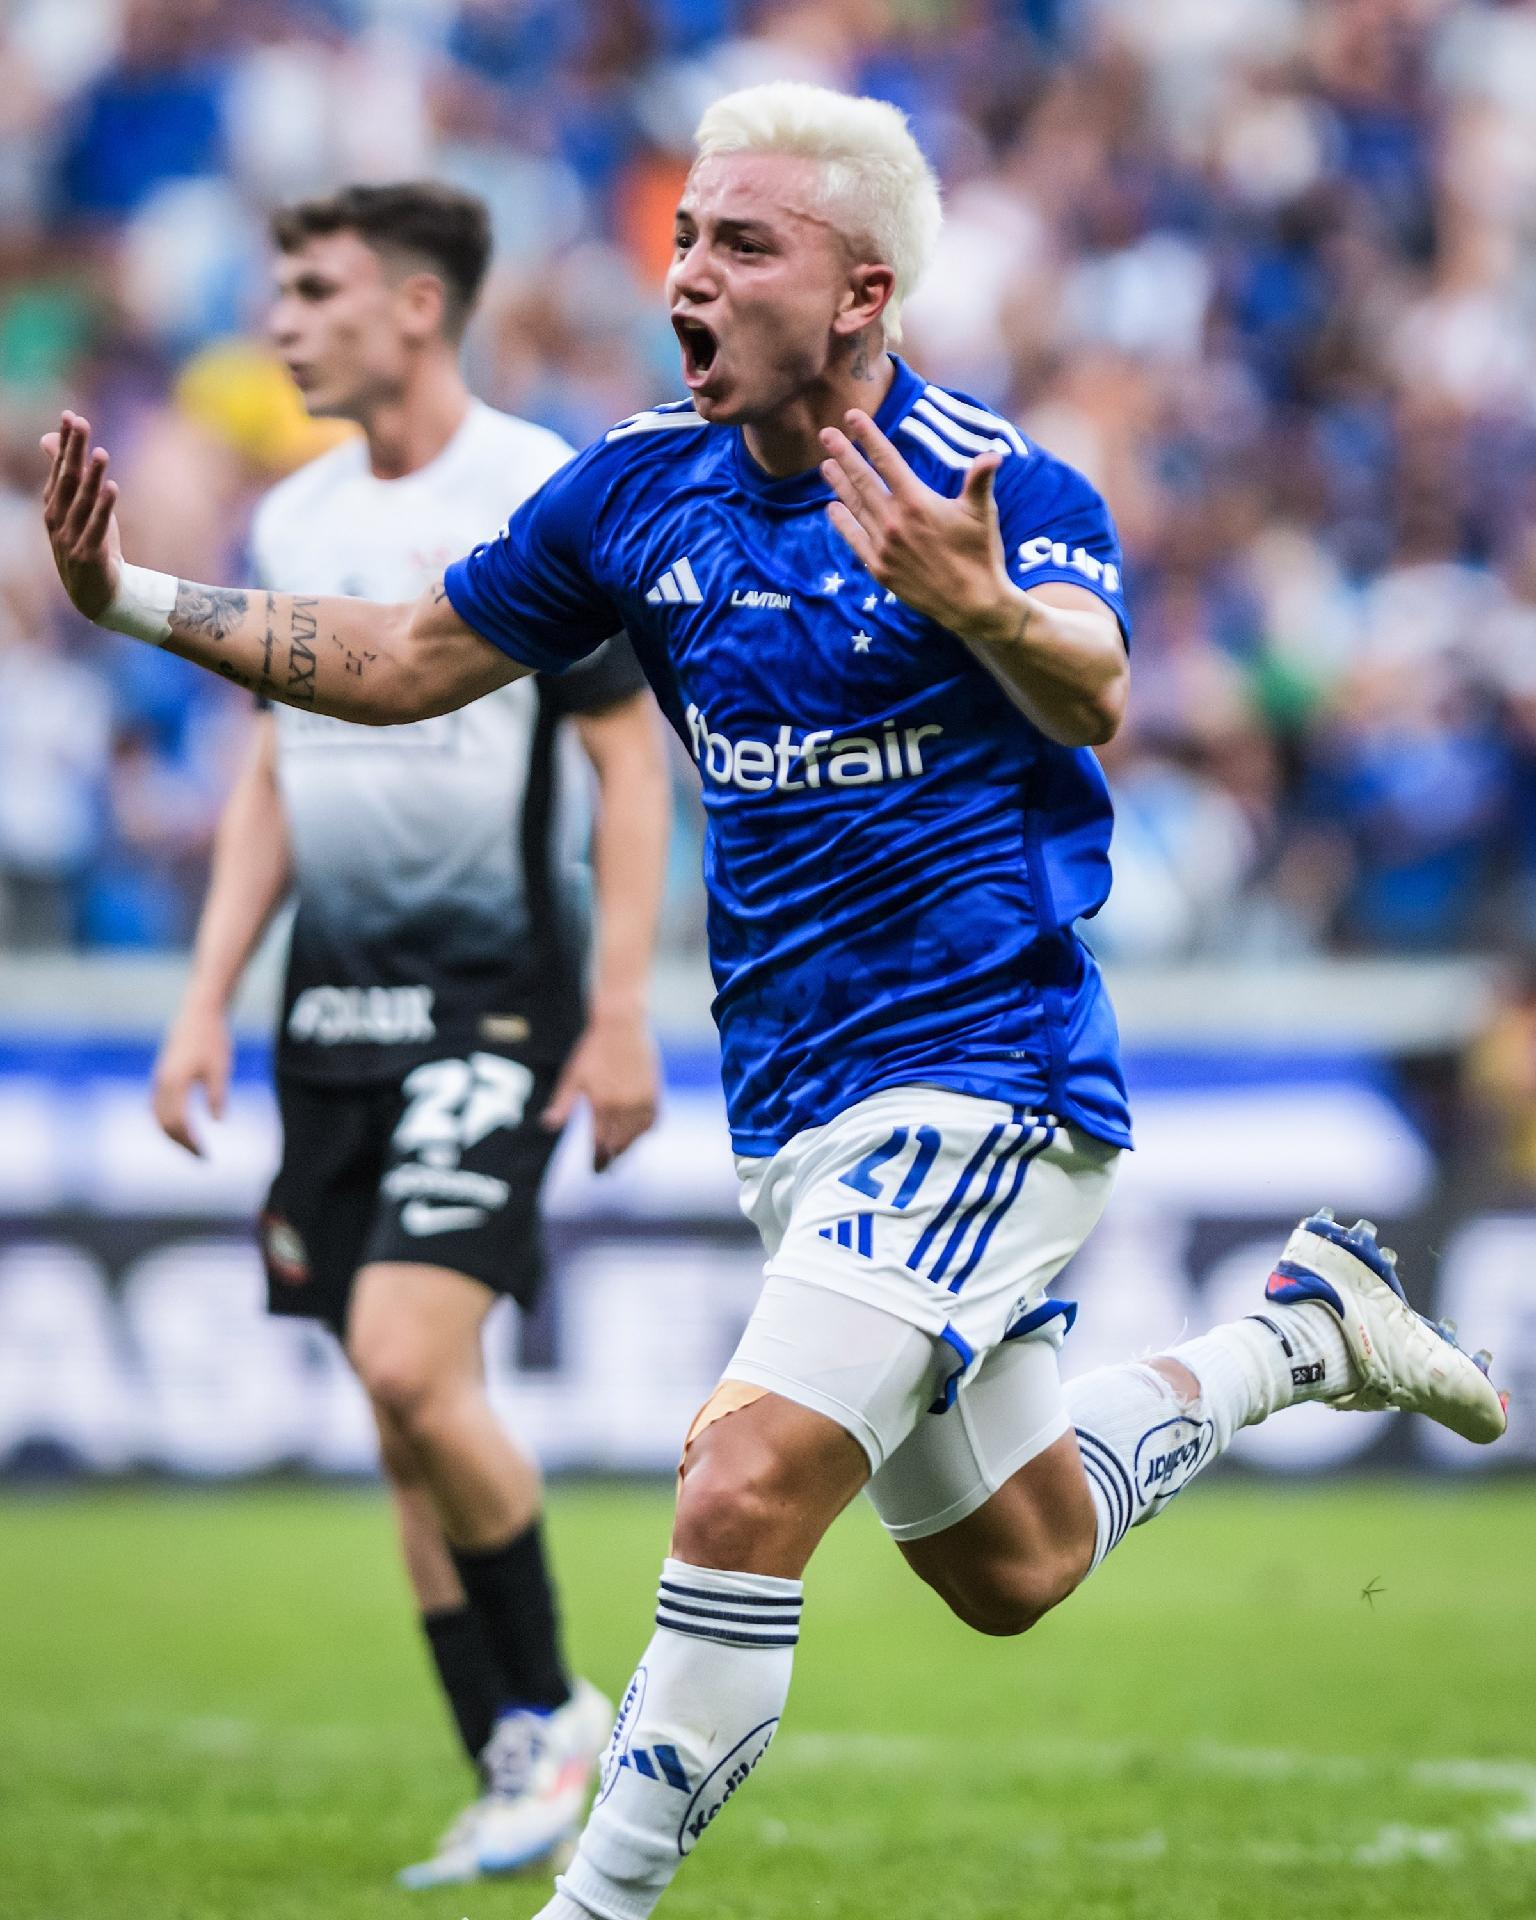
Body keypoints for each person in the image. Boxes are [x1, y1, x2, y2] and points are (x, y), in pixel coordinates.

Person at [43, 84, 1507, 1920]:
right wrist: (138, 597)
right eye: (683, 235)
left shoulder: (997, 484)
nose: (688, 272)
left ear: (863, 290)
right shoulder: (638, 488)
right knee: (1014, 1561)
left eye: (743, 242)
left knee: (736, 1489)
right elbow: (411, 657)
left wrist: (981, 607)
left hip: (988, 1076)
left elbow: (1095, 690)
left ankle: (593, 1908)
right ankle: (1305, 1332)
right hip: (802, 1113)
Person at [143, 182, 672, 1890]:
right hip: (330, 1011)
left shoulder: (532, 492)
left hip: (496, 996)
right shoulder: (292, 521)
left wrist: (618, 1017)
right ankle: (515, 1757)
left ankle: (559, 1710)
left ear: (420, 307)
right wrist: (208, 993)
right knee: (399, 1413)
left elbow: (623, 758)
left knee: (403, 1363)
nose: (280, 324)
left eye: (311, 291)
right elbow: (274, 780)